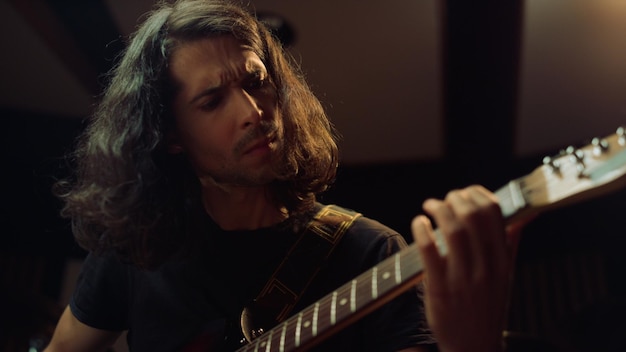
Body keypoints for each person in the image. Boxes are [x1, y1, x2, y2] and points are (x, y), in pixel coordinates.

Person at [44, 0, 523, 351]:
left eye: (256, 82)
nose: (254, 112)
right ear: (169, 135)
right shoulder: (139, 247)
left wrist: (473, 345)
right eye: (212, 102)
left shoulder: (370, 253)